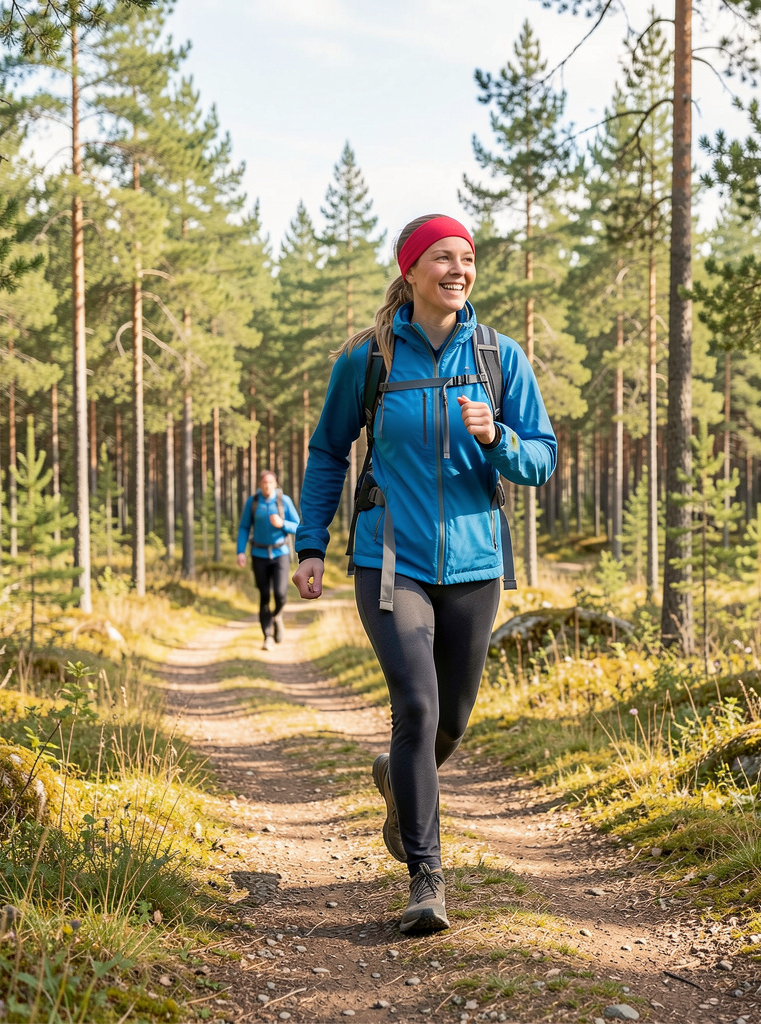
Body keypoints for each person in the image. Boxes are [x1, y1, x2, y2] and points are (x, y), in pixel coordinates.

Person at [293, 214, 556, 933]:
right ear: (410, 270)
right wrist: (310, 545)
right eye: (443, 256)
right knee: (417, 705)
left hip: (473, 562)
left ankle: (396, 777)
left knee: (454, 718)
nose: (458, 268)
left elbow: (543, 457)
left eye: (467, 258)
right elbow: (327, 453)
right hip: (392, 561)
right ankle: (426, 879)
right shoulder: (370, 360)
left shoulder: (501, 357)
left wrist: (498, 438)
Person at [237, 470, 300, 650]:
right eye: (263, 483)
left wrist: (283, 524)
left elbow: (298, 526)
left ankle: (277, 615)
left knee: (280, 594)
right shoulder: (253, 502)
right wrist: (240, 552)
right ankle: (267, 636)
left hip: (280, 553)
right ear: (259, 484)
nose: (266, 486)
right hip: (259, 554)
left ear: (275, 484)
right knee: (264, 595)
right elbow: (243, 527)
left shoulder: (284, 501)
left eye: (270, 483)